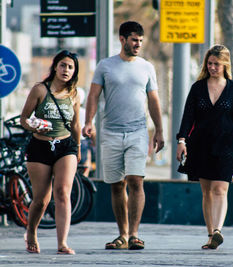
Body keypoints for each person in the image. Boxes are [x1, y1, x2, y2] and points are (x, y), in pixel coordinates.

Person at [82, 21, 164, 250]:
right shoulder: (105, 66)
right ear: (122, 39)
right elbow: (93, 96)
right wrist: (89, 122)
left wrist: (159, 130)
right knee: (116, 185)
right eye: (134, 39)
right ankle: (123, 235)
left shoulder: (147, 67)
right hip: (110, 133)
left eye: (140, 40)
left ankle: (135, 234)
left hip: (138, 131)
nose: (138, 44)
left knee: (136, 180)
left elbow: (154, 100)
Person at [176, 44, 233, 250]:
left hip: (227, 145)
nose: (212, 67)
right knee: (207, 191)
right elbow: (187, 118)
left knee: (220, 188)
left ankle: (218, 230)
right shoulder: (197, 88)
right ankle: (211, 235)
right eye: (210, 63)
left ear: (225, 64)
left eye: (216, 64)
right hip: (200, 145)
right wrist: (181, 141)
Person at [20, 50, 81, 255]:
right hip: (39, 147)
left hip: (65, 146)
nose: (66, 70)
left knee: (63, 192)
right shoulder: (40, 90)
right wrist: (34, 127)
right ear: (55, 67)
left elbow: (76, 125)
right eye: (63, 65)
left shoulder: (74, 94)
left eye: (70, 67)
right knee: (41, 199)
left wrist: (78, 148)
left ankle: (62, 243)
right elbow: (24, 119)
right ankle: (31, 231)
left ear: (74, 72)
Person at [77, 87, 95, 177]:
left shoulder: (68, 111)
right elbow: (92, 130)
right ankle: (84, 183)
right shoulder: (85, 112)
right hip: (82, 141)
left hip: (69, 140)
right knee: (85, 165)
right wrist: (95, 143)